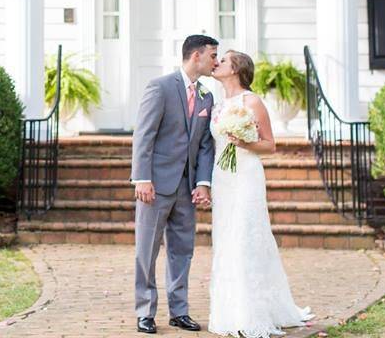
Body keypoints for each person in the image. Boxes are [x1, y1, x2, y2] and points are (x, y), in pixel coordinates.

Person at [207, 50, 314, 338]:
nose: (216, 64)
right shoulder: (217, 105)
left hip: (246, 176)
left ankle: (250, 313)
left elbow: (270, 145)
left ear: (237, 69)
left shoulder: (252, 101)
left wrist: (243, 142)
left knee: (245, 239)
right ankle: (229, 310)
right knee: (226, 240)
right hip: (222, 177)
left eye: (224, 61)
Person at [130, 34, 218, 334]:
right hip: (154, 185)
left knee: (183, 250)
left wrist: (203, 182)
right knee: (147, 250)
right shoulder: (161, 87)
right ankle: (145, 312)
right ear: (196, 56)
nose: (215, 62)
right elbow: (144, 135)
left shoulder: (207, 96)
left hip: (187, 187)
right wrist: (142, 178)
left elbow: (206, 144)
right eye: (212, 55)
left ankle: (179, 311)